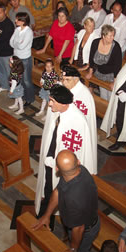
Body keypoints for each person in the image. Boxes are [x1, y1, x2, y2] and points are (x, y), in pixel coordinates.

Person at [34, 85, 95, 224]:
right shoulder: (58, 113)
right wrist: (49, 155)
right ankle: (45, 215)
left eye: (52, 101)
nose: (49, 104)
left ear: (62, 103)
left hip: (63, 168)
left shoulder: (77, 120)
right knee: (48, 188)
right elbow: (54, 137)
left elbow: (75, 149)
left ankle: (46, 220)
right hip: (51, 161)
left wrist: (56, 162)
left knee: (56, 192)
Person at [33, 150, 99, 252]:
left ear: (56, 169)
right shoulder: (80, 170)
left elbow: (78, 228)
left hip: (85, 230)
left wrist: (73, 250)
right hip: (83, 221)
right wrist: (47, 215)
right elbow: (58, 191)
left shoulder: (73, 199)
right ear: (78, 162)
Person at [61, 66, 97, 173]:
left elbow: (85, 119)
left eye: (67, 80)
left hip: (77, 134)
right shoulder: (66, 90)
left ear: (76, 79)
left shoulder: (84, 94)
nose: (64, 83)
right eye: (63, 79)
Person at [86, 25, 123, 101]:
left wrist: (114, 82)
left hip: (111, 76)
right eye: (110, 36)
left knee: (110, 97)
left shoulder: (116, 47)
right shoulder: (95, 42)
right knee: (103, 96)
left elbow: (117, 66)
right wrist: (90, 72)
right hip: (99, 73)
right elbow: (91, 58)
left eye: (113, 35)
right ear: (103, 36)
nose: (112, 38)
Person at [9, 12, 35, 105]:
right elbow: (11, 42)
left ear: (23, 21)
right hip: (16, 58)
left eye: (17, 19)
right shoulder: (17, 30)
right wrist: (17, 43)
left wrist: (17, 44)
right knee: (18, 79)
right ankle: (23, 95)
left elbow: (22, 46)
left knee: (26, 80)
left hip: (24, 58)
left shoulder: (28, 32)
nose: (15, 21)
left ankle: (30, 98)